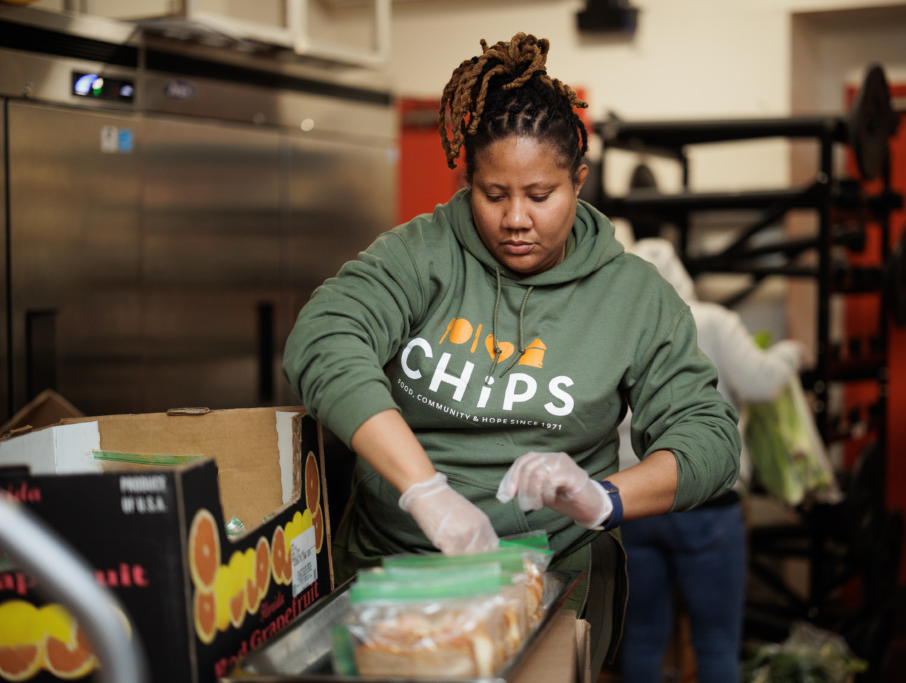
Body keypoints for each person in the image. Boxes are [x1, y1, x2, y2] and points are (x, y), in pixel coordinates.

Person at [282, 33, 741, 678]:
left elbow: (711, 438)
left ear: (578, 183)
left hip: (550, 581)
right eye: (493, 195)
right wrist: (425, 491)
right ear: (468, 181)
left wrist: (603, 498)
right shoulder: (421, 255)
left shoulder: (633, 296)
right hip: (395, 568)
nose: (515, 219)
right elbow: (324, 341)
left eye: (540, 195)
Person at [618, 237, 806, 683]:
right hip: (706, 504)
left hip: (634, 499)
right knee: (717, 641)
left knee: (642, 636)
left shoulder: (618, 328)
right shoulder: (713, 322)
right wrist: (792, 353)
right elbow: (760, 383)